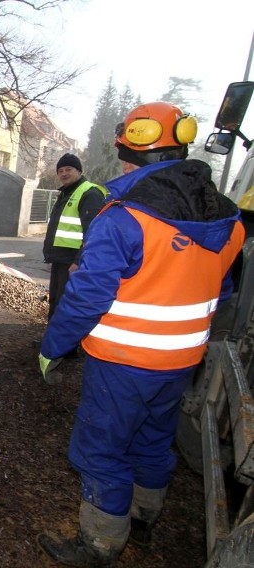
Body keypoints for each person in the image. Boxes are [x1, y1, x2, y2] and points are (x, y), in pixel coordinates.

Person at [37, 101, 245, 567]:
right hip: (181, 364)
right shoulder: (227, 221)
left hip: (121, 364)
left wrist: (53, 347)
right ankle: (145, 516)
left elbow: (85, 299)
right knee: (153, 439)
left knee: (101, 450)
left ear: (127, 152)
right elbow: (223, 292)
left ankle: (100, 544)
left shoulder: (123, 218)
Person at [42, 153, 107, 321]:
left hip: (73, 261)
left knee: (66, 303)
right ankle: (51, 340)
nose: (64, 173)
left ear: (79, 171)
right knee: (56, 300)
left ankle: (61, 346)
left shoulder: (89, 193)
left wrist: (78, 261)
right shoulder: (67, 193)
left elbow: (93, 232)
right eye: (60, 170)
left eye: (68, 169)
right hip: (61, 259)